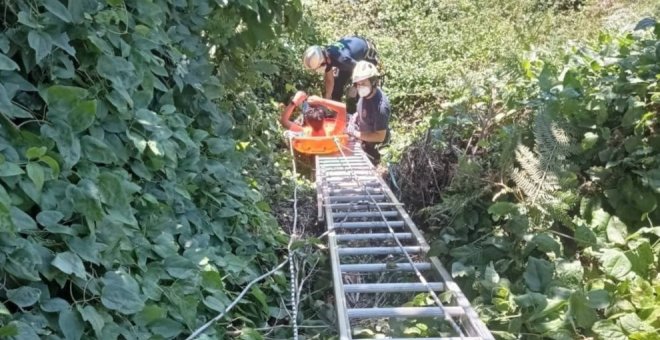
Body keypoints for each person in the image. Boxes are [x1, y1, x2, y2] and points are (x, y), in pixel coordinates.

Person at [302, 36, 379, 103]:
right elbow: (329, 81)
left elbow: (361, 70)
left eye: (317, 68)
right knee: (337, 85)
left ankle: (362, 107)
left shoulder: (342, 59)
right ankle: (336, 104)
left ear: (322, 62)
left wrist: (355, 86)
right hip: (350, 56)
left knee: (363, 90)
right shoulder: (326, 55)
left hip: (366, 55)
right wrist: (327, 99)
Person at [345, 61, 390, 166]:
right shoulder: (365, 94)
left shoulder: (381, 108)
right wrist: (356, 117)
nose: (360, 86)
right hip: (363, 137)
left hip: (373, 149)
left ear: (373, 82)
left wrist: (356, 134)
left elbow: (380, 137)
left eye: (363, 83)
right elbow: (363, 109)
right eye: (358, 84)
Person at [280, 91, 347, 137]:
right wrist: (320, 100)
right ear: (324, 120)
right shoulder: (333, 133)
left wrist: (294, 101)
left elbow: (284, 121)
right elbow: (343, 109)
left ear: (308, 123)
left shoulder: (304, 133)